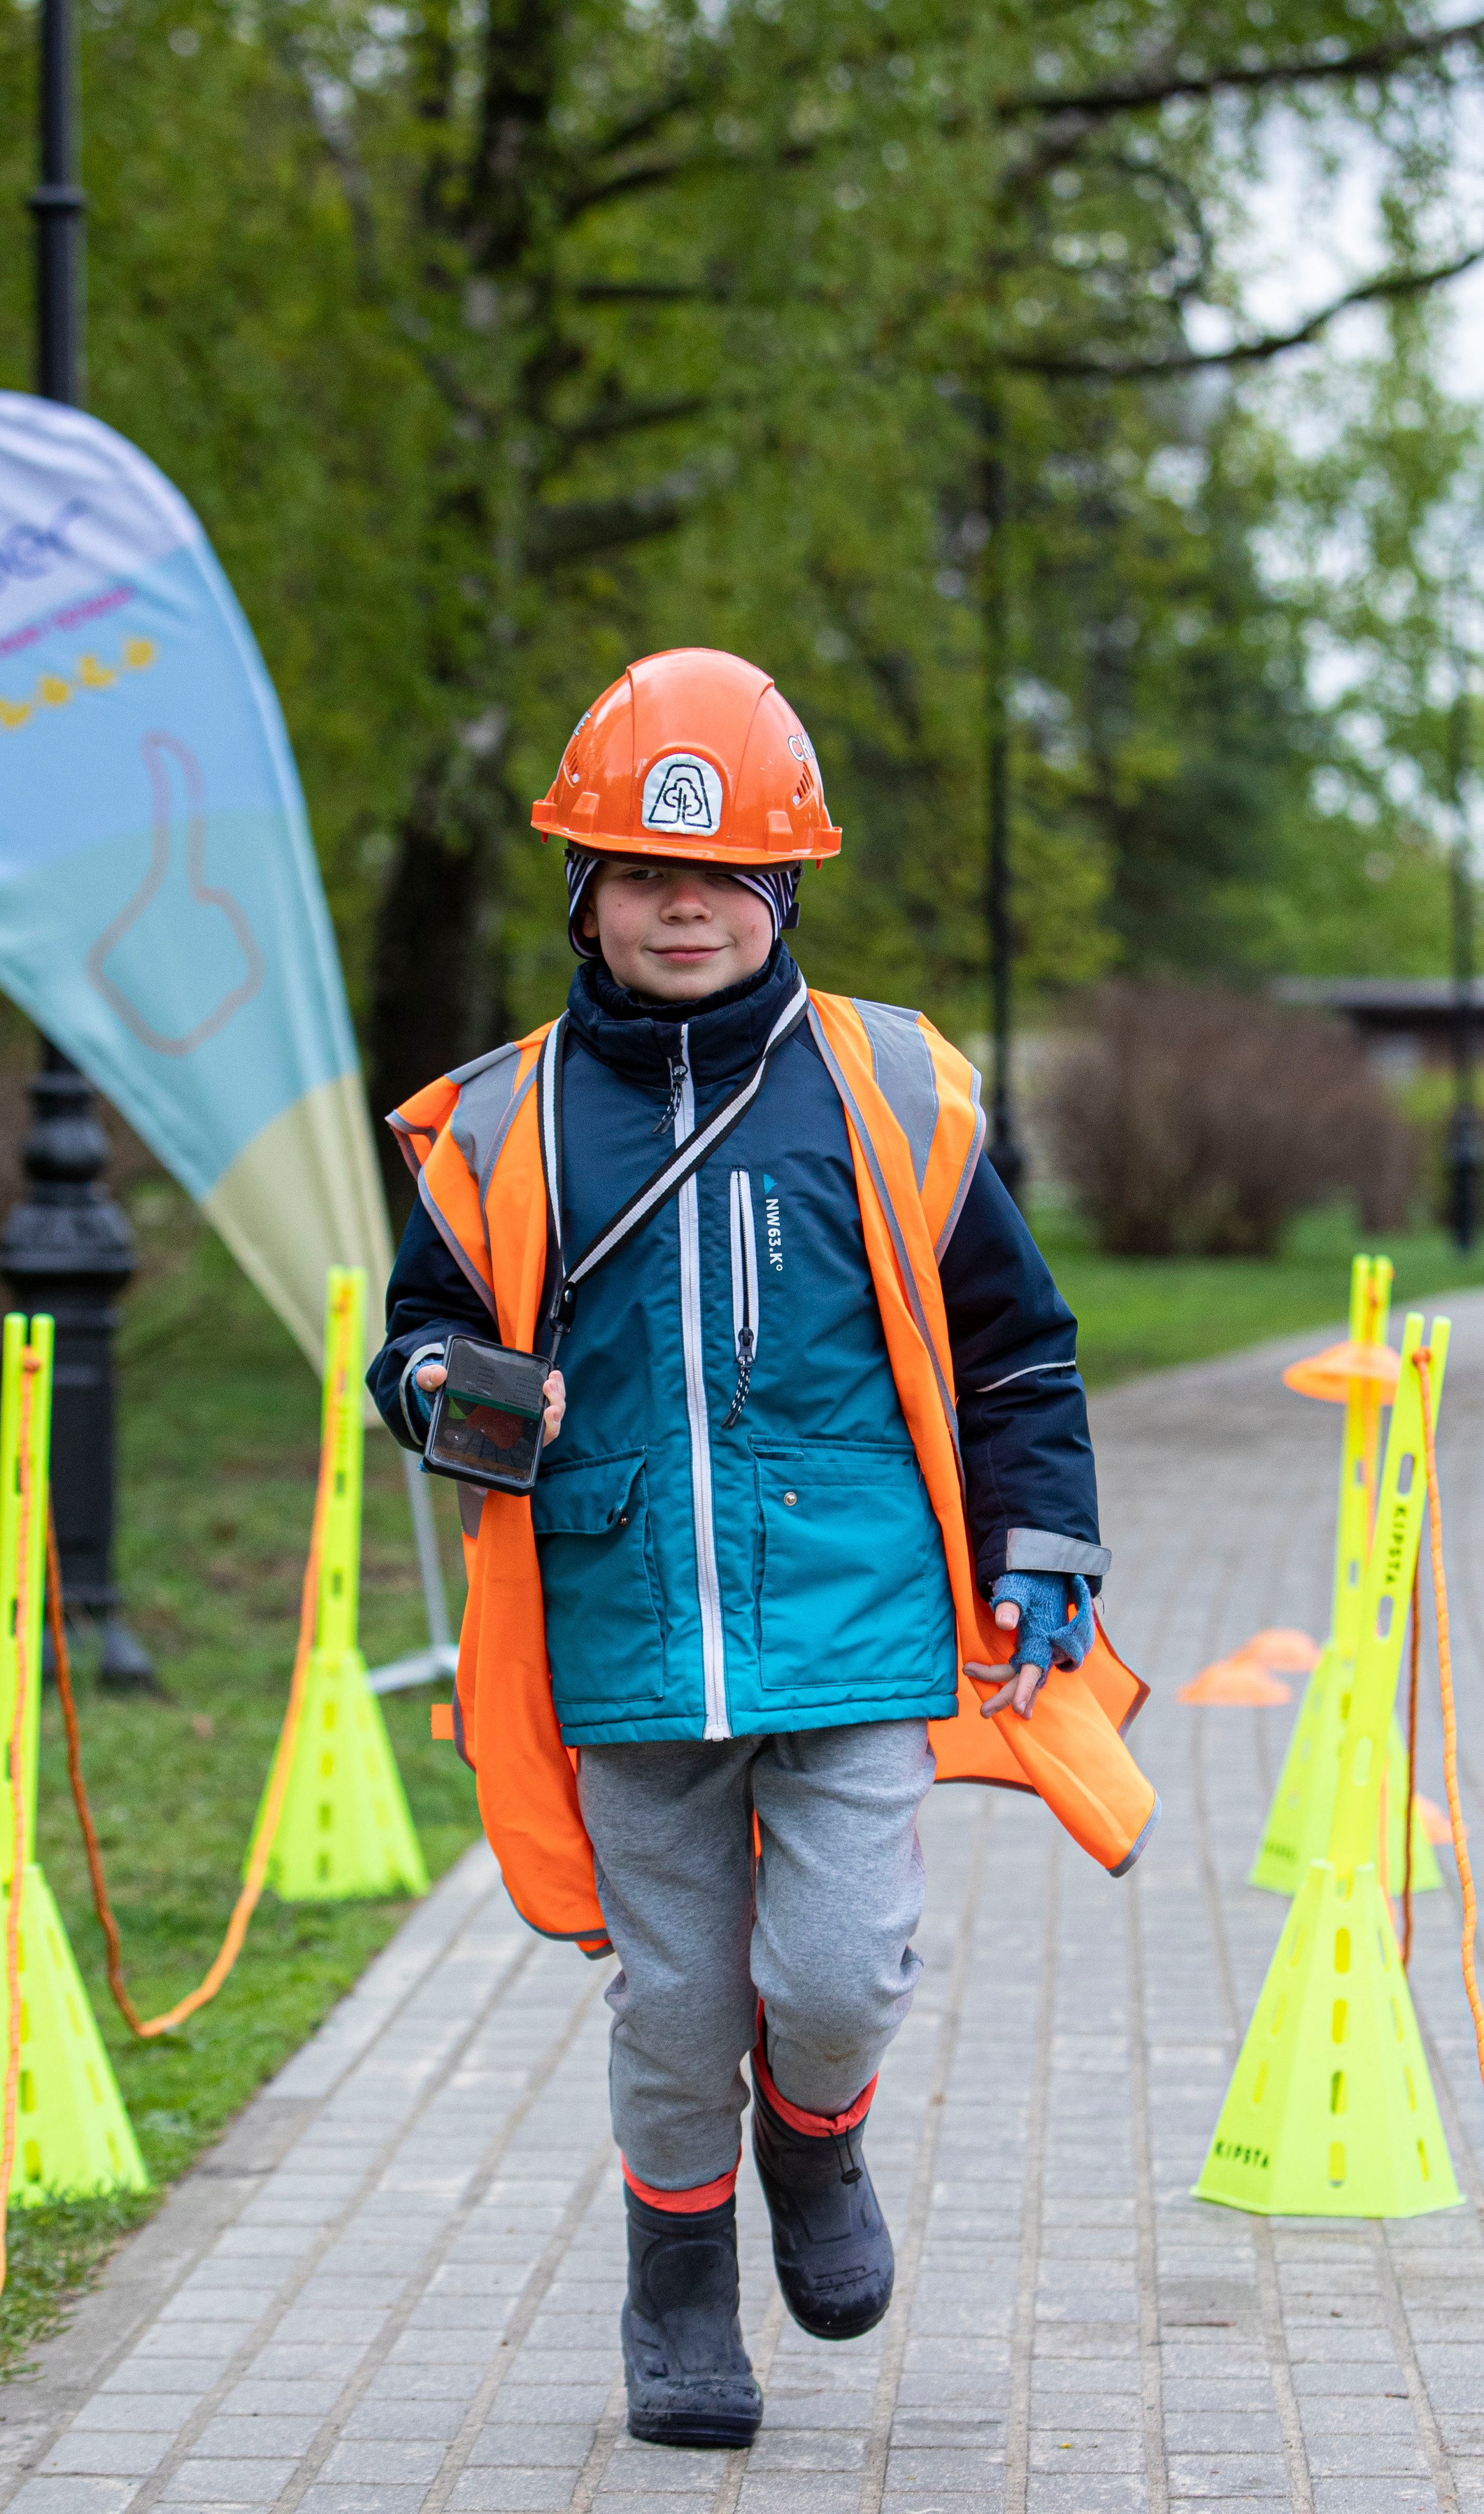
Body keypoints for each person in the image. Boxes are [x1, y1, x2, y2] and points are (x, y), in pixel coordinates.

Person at [367, 648, 1150, 2452]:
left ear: (779, 885)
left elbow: (1016, 1345)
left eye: (720, 875)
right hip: (626, 1623)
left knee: (840, 1966)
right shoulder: (500, 1119)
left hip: (857, 1614)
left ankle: (815, 2143)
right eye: (644, 873)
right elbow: (413, 1350)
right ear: (586, 891)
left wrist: (1048, 1546)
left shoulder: (894, 1085)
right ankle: (676, 2292)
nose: (684, 907)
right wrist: (458, 1392)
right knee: (677, 1997)